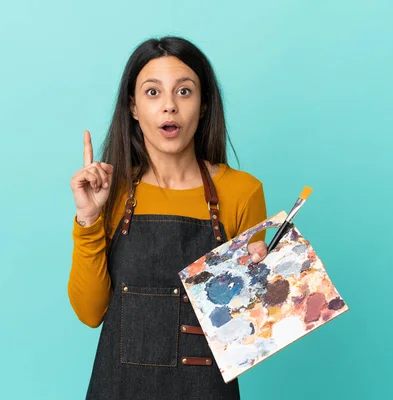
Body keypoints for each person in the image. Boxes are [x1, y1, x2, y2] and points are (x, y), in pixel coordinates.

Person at [68, 36, 269, 400]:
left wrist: (265, 286)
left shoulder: (243, 192)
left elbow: (247, 337)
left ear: (204, 105)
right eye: (152, 93)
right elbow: (90, 312)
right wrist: (88, 218)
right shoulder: (109, 193)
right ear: (133, 107)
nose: (169, 107)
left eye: (184, 91)